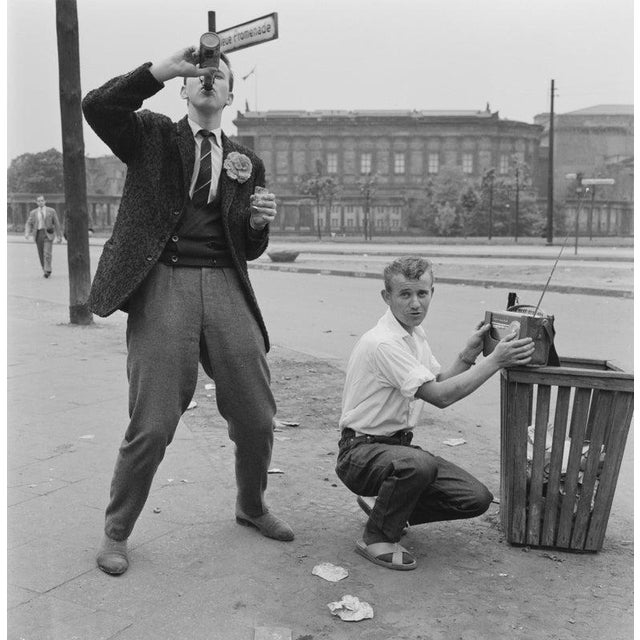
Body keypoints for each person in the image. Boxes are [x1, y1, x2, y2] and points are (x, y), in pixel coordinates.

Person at [82, 45, 293, 576]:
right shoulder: (151, 136)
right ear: (185, 87)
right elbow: (97, 107)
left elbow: (246, 245)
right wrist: (160, 68)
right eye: (198, 74)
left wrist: (260, 224)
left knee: (256, 415)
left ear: (228, 93)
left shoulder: (248, 161)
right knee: (152, 422)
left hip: (227, 283)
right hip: (163, 284)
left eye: (217, 76)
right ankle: (116, 532)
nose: (207, 80)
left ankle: (251, 505)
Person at [335, 257, 535, 571]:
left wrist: (469, 354)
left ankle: (385, 508)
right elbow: (441, 397)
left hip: (395, 451)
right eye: (405, 294)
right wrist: (495, 361)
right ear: (386, 297)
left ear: (432, 292)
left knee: (474, 497)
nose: (415, 303)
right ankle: (376, 537)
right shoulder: (383, 343)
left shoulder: (414, 335)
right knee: (418, 463)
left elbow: (437, 382)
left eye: (422, 293)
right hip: (360, 453)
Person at [24, 195, 63, 278]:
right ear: (36, 202)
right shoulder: (33, 212)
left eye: (42, 200)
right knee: (41, 253)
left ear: (45, 201)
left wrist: (59, 236)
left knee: (47, 253)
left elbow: (56, 223)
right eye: (39, 201)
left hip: (48, 234)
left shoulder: (51, 211)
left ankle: (47, 270)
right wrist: (27, 233)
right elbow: (28, 223)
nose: (40, 202)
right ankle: (44, 268)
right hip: (38, 234)